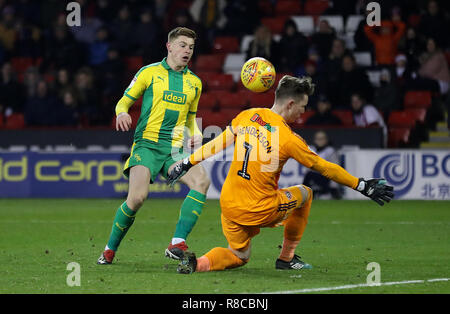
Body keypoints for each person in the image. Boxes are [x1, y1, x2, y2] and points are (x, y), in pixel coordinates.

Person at [167, 75, 394, 274]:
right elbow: (324, 167)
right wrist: (361, 185)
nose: (304, 112)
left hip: (229, 205)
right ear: (291, 103)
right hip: (260, 208)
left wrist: (186, 162)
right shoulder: (288, 138)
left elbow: (217, 143)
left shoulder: (248, 115)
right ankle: (286, 258)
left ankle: (198, 264)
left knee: (239, 256)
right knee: (305, 193)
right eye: (303, 107)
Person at [97, 27, 211, 265]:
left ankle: (177, 242)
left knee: (202, 181)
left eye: (190, 47)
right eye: (182, 45)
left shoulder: (195, 83)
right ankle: (109, 249)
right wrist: (121, 113)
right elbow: (123, 101)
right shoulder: (148, 73)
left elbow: (191, 118)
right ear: (169, 46)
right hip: (147, 145)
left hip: (175, 149)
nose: (187, 50)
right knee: (137, 198)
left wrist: (197, 134)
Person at [303, 130, 342, 199]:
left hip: (326, 176)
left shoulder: (330, 151)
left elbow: (335, 169)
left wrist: (334, 186)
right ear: (314, 140)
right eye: (318, 139)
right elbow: (307, 167)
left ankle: (331, 192)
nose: (320, 141)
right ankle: (304, 194)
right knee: (308, 175)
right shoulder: (311, 149)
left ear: (326, 140)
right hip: (313, 175)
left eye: (322, 139)